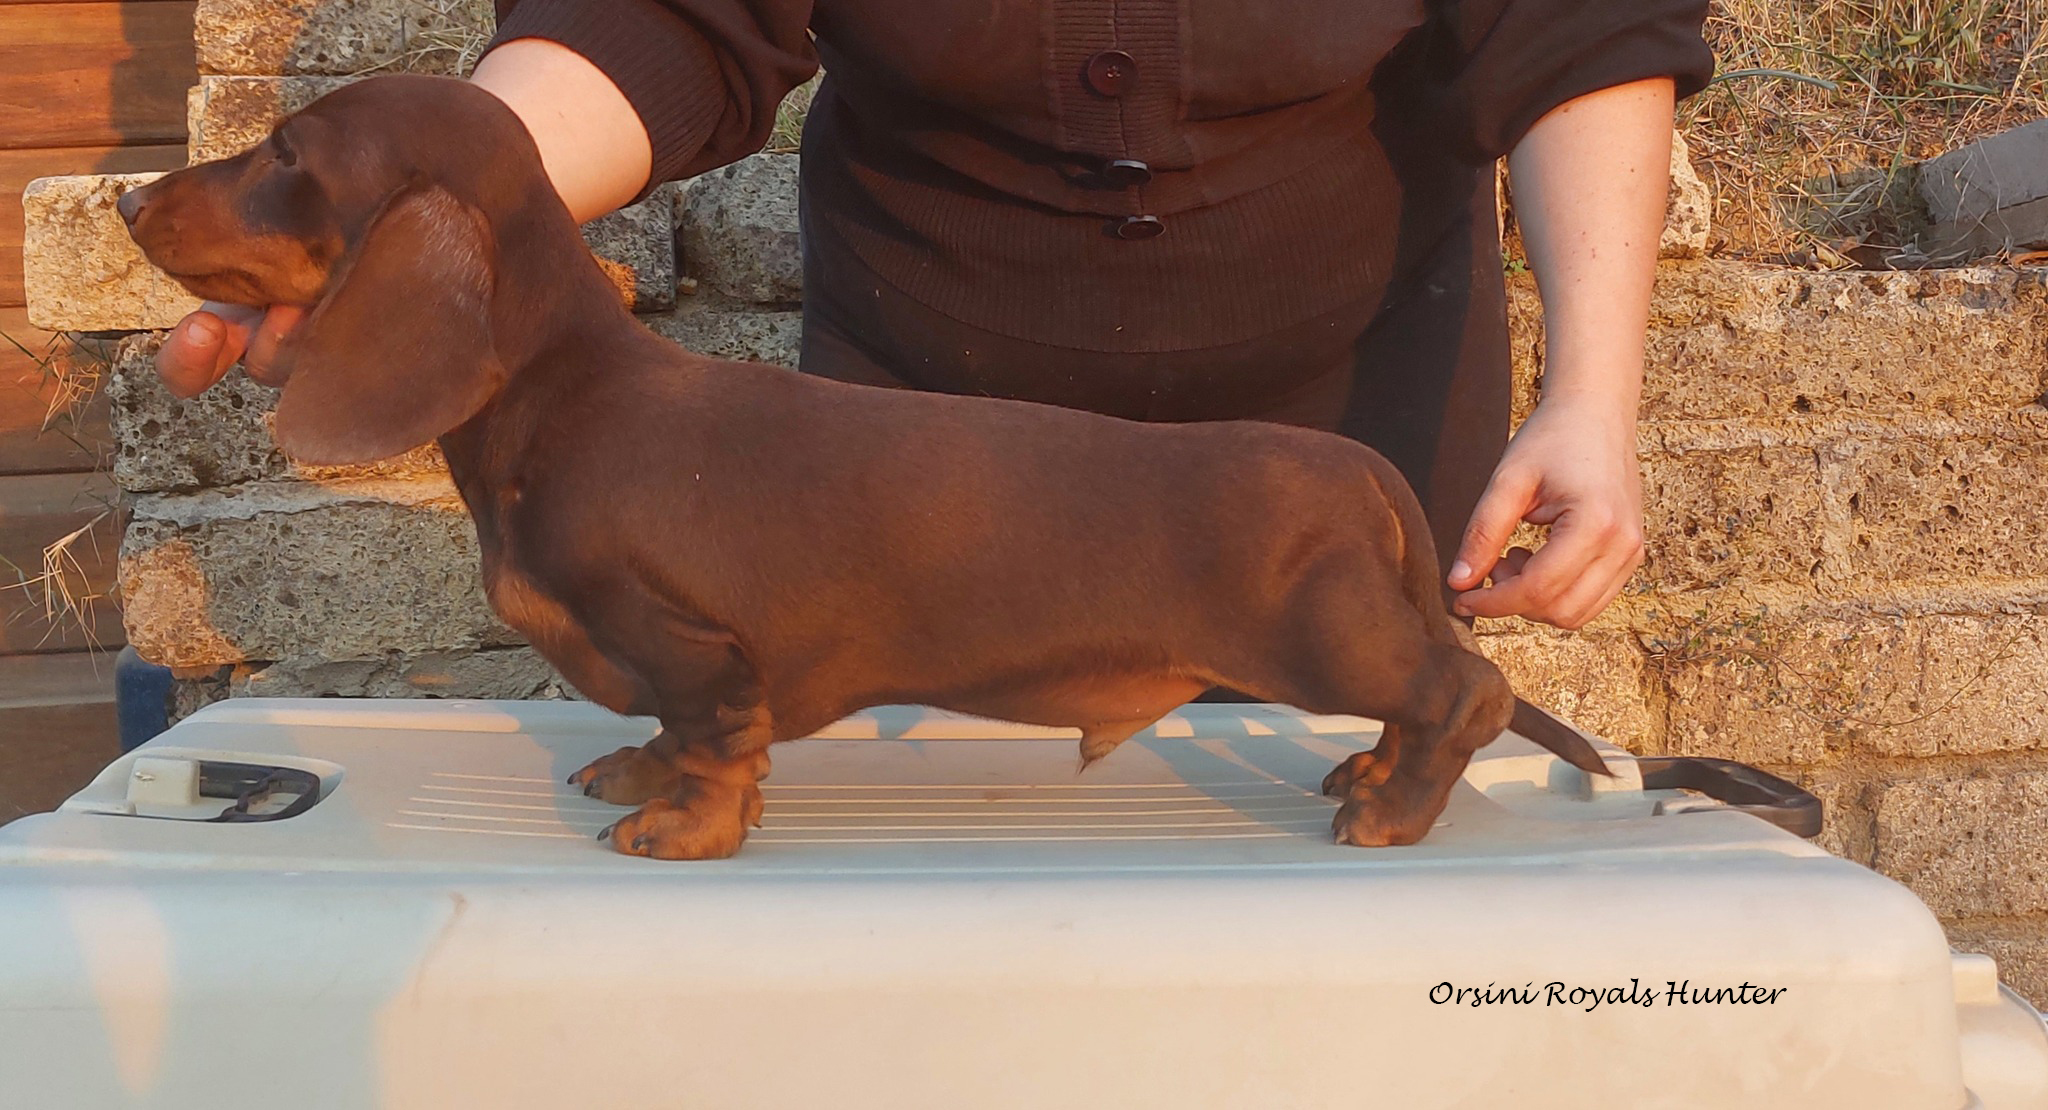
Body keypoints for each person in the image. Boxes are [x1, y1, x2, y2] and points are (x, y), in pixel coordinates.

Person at [154, 1, 1712, 631]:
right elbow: (664, 18)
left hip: (1339, 434)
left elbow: (1578, 29)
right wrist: (418, 222)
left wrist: (1596, 392)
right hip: (926, 479)